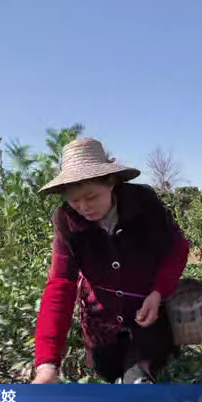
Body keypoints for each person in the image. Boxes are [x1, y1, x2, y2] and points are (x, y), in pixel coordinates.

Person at [32, 138, 190, 384]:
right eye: (74, 201)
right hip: (100, 329)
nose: (83, 207)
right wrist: (47, 363)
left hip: (147, 318)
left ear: (111, 182)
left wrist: (159, 291)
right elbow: (60, 285)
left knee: (138, 381)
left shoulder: (144, 204)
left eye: (91, 197)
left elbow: (176, 249)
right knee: (107, 375)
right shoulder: (66, 220)